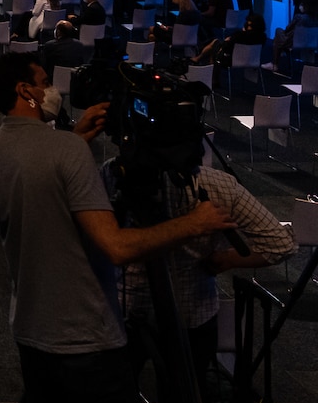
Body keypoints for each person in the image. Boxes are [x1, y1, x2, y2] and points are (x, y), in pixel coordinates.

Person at [0, 53, 233, 403]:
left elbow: (39, 173)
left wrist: (74, 139)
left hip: (30, 327)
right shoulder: (68, 151)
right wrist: (194, 224)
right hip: (88, 337)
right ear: (25, 90)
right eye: (44, 81)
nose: (51, 89)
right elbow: (116, 246)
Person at [120, 164, 296, 387]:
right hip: (192, 313)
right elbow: (281, 244)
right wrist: (225, 259)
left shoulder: (114, 176)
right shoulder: (218, 184)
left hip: (123, 313)